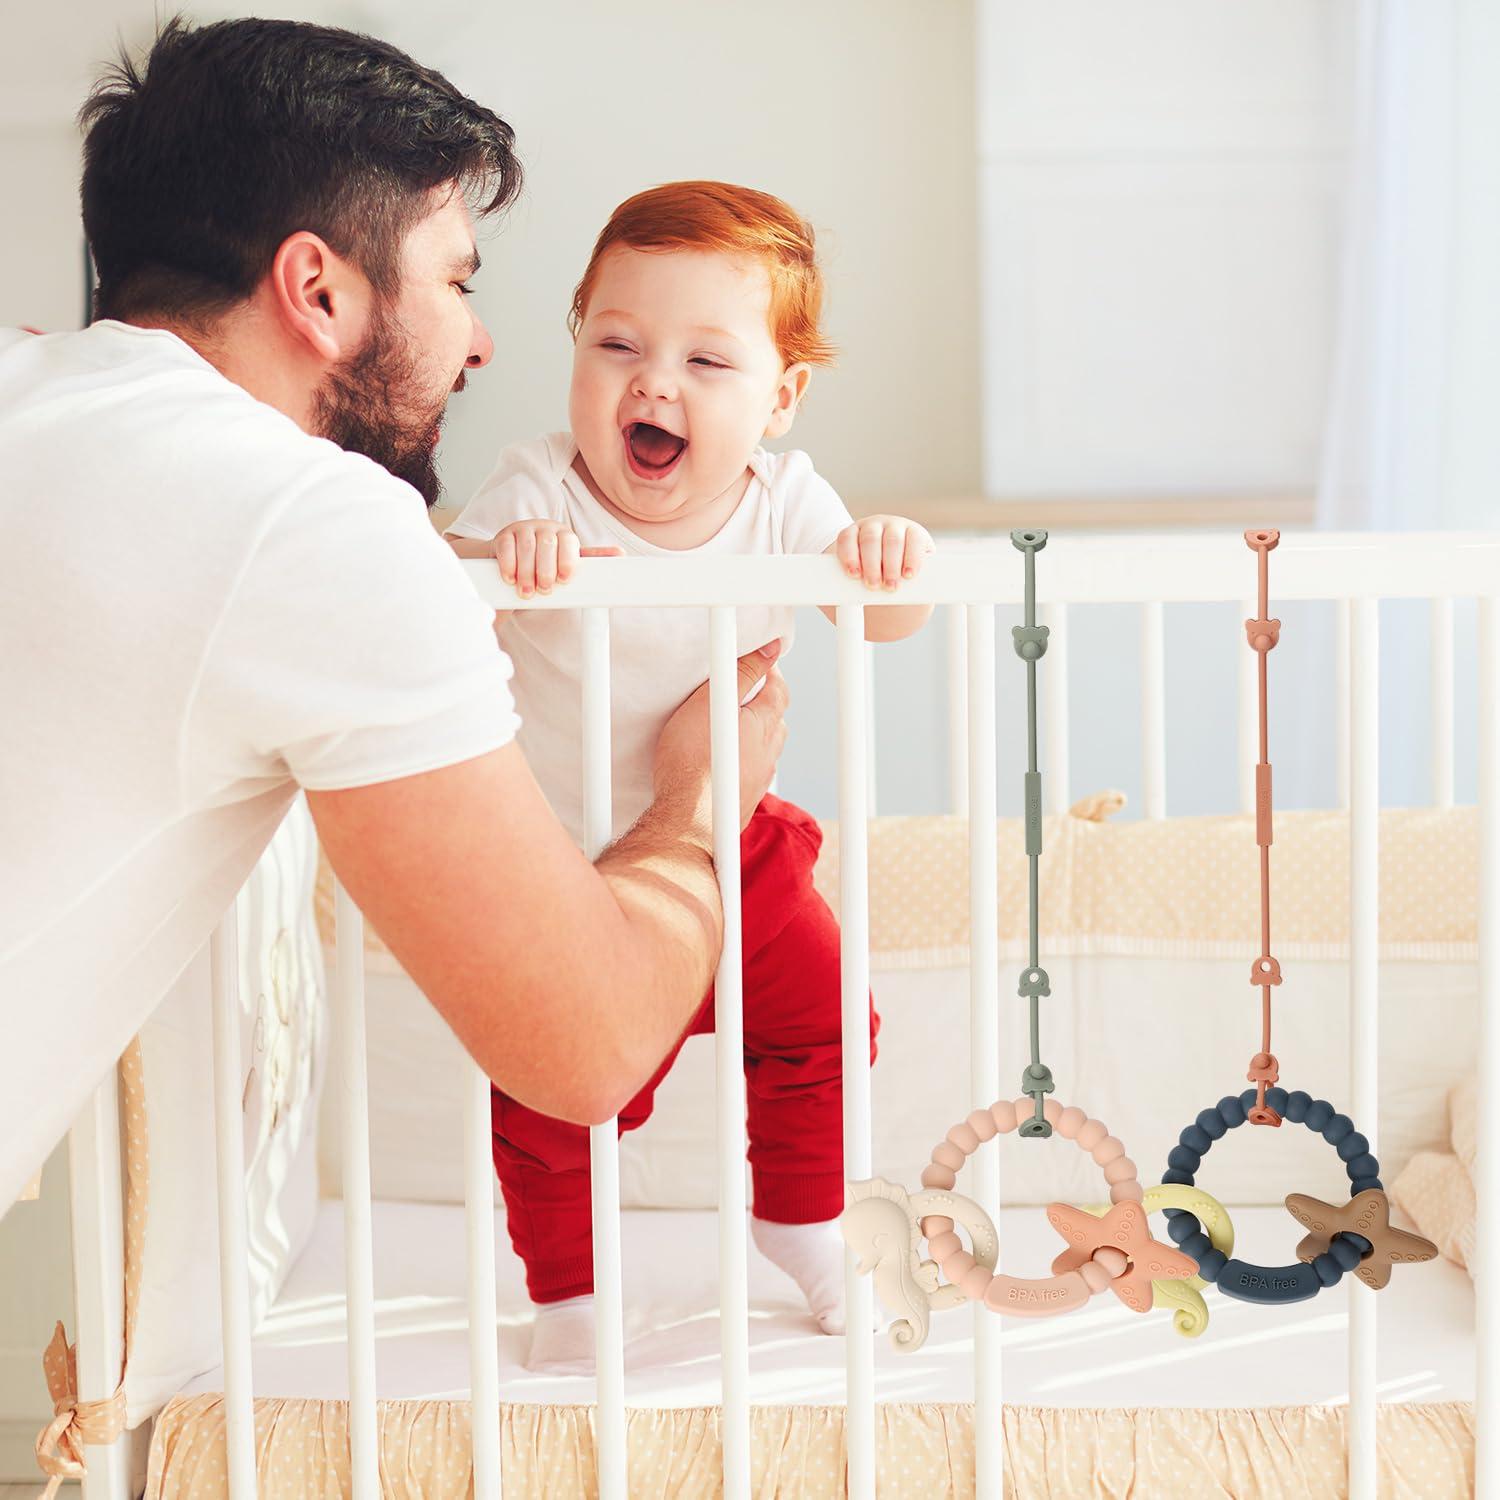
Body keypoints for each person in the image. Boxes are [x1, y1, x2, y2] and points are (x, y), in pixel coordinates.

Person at [0, 18, 789, 1214]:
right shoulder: (312, 526)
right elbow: (590, 1044)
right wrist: (702, 794)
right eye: (458, 281)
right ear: (316, 289)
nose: (477, 341)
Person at [445, 181, 934, 1368]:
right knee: (557, 1087)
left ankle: (802, 1223)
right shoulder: (540, 492)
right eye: (617, 345)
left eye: (708, 362)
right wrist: (498, 556)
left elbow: (891, 622)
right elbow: (442, 585)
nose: (653, 381)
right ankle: (569, 1298)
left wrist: (887, 559)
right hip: (563, 857)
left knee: (824, 1008)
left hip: (736, 847)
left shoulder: (786, 506)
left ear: (781, 397)